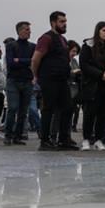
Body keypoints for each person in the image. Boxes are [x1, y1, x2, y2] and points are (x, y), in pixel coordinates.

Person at [32, 11, 78, 151]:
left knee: (68, 107)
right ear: (53, 23)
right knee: (48, 109)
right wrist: (36, 76)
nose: (64, 24)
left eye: (65, 21)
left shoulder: (63, 40)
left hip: (62, 79)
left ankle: (64, 140)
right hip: (49, 79)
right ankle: (45, 141)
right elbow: (35, 59)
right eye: (61, 22)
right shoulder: (46, 38)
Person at [79, 21, 105, 151]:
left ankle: (99, 139)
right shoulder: (88, 46)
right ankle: (86, 139)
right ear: (98, 31)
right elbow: (84, 65)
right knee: (89, 113)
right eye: (104, 30)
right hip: (92, 84)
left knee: (103, 114)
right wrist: (100, 74)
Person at [4, 21, 35, 145]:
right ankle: (8, 135)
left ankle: (17, 136)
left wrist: (20, 60)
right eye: (27, 29)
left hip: (27, 81)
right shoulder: (11, 45)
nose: (29, 32)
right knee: (12, 108)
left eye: (29, 29)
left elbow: (34, 61)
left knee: (23, 111)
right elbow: (11, 63)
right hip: (13, 81)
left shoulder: (33, 46)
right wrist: (27, 61)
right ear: (20, 31)